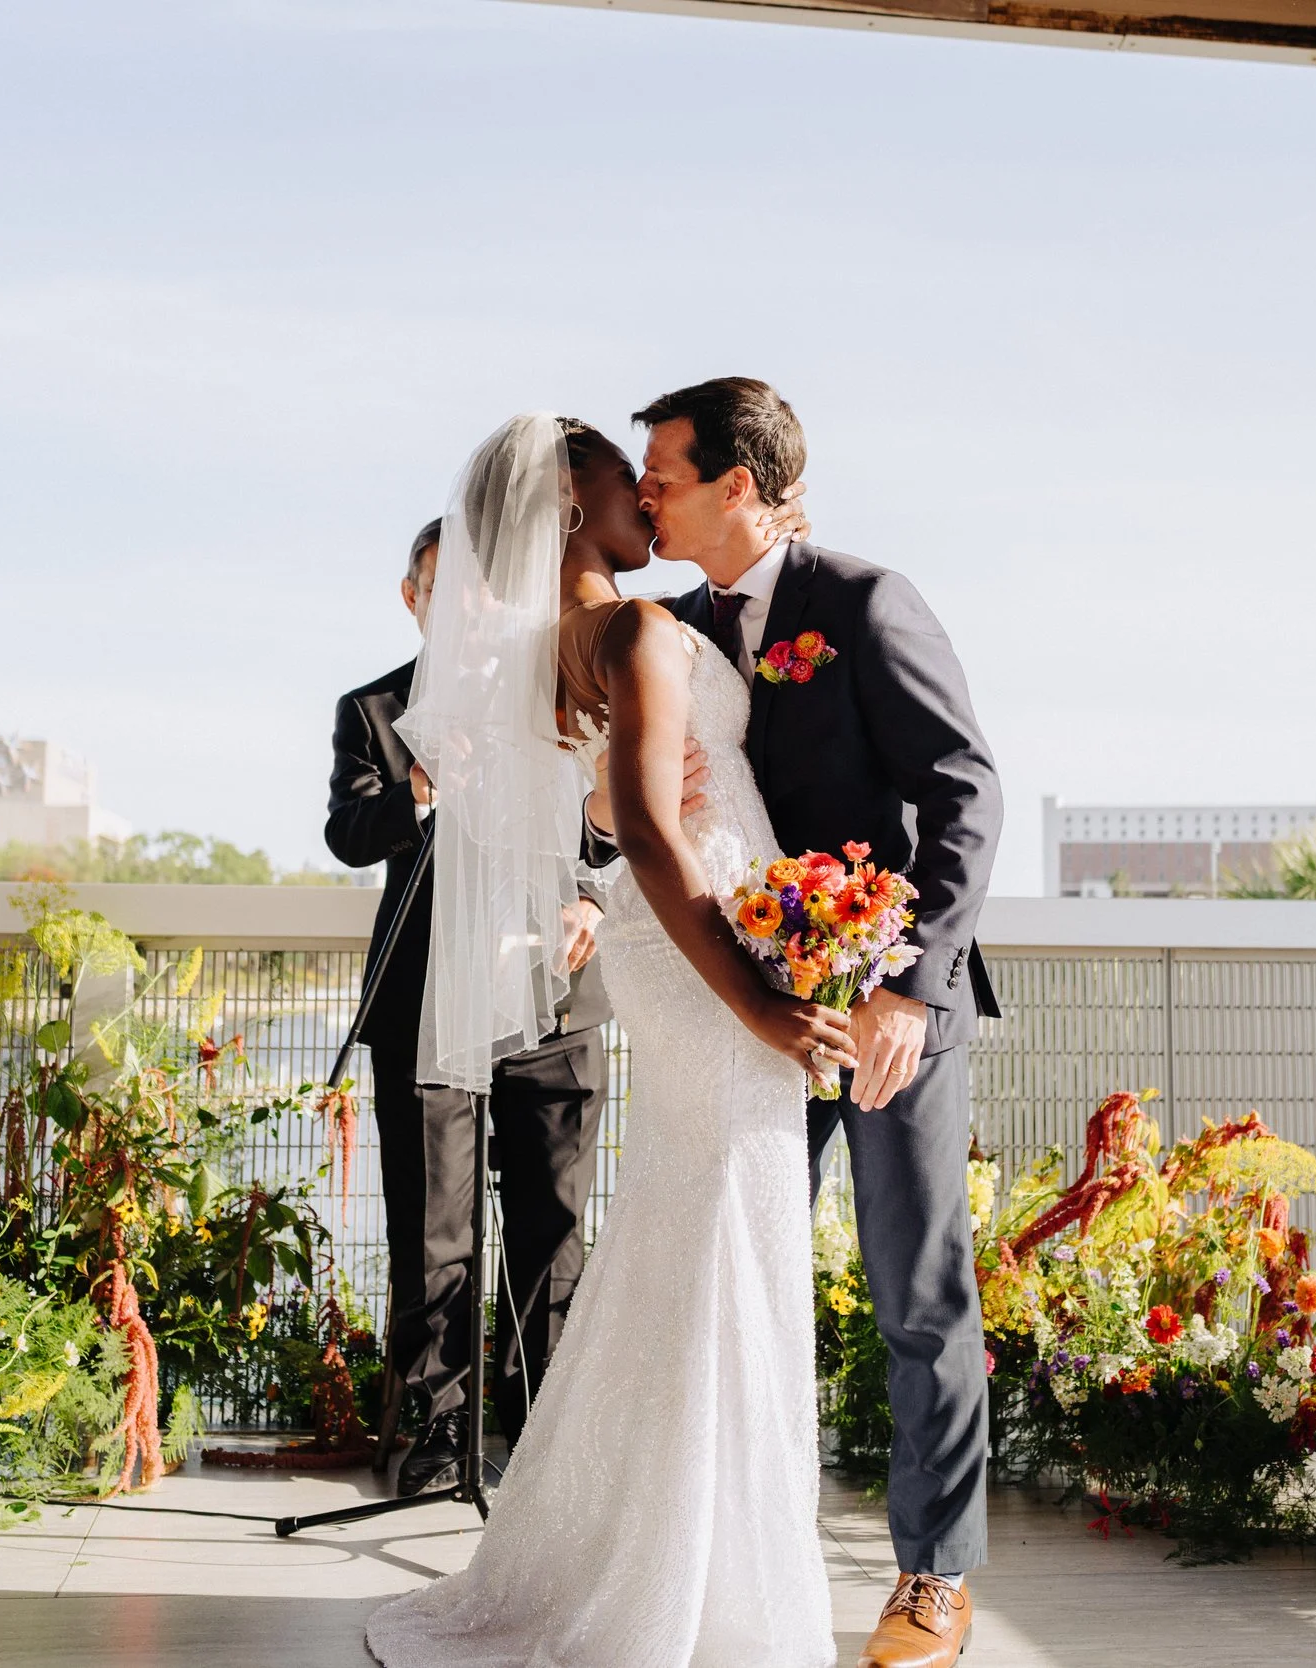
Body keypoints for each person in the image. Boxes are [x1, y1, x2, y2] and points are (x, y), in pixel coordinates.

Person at [367, 413, 858, 1668]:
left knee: (693, 1232)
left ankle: (661, 1555)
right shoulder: (633, 630)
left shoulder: (553, 649)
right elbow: (638, 826)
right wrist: (758, 1001)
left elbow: (588, 808)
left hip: (679, 948)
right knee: (728, 1230)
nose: (646, 494)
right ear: (570, 504)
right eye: (620, 480)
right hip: (711, 967)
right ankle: (695, 1585)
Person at [642, 378, 1003, 1668]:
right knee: (734, 1285)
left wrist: (911, 986)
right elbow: (640, 813)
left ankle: (933, 1579)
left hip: (889, 1006)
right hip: (751, 1016)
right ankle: (727, 1562)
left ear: (736, 485)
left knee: (917, 1295)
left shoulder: (860, 603)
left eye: (663, 476)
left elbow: (965, 792)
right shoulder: (671, 634)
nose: (645, 496)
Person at [324, 520, 612, 1495]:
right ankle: (442, 1429)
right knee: (431, 1228)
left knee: (552, 1225)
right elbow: (348, 833)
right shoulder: (374, 709)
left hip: (555, 1001)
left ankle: (542, 1431)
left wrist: (590, 899)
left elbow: (616, 822)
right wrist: (417, 783)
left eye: (487, 587)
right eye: (446, 589)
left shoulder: (566, 695)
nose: (470, 606)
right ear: (412, 599)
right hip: (426, 1009)